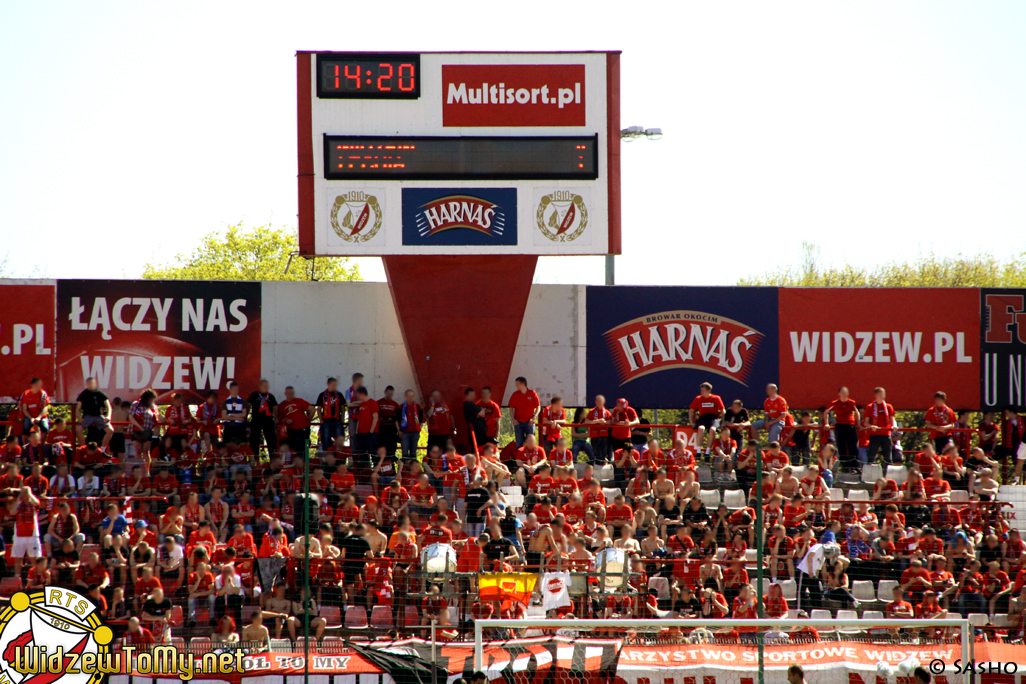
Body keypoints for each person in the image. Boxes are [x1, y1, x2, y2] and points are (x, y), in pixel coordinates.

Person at [825, 388, 860, 472]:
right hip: (840, 425)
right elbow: (826, 412)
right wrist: (826, 423)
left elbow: (856, 412)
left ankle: (854, 467)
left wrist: (857, 423)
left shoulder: (851, 402)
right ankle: (845, 466)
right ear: (839, 393)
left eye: (846, 392)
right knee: (842, 446)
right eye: (843, 392)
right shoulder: (835, 403)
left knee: (853, 446)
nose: (845, 394)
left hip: (850, 425)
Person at [688, 383, 724, 457]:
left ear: (709, 390)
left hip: (713, 418)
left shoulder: (716, 398)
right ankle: (698, 451)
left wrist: (723, 422)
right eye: (701, 390)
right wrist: (692, 422)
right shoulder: (698, 398)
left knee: (712, 430)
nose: (702, 392)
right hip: (703, 418)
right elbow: (691, 410)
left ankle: (707, 452)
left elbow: (722, 410)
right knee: (701, 428)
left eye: (703, 390)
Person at [76, 376, 113, 448]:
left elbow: (108, 406)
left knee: (110, 430)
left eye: (92, 383)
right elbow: (78, 408)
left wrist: (108, 416)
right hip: (87, 416)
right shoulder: (84, 393)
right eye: (89, 383)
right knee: (78, 430)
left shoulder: (100, 393)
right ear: (87, 384)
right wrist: (80, 417)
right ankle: (84, 448)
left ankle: (103, 449)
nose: (91, 385)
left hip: (98, 415)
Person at [508, 376, 541, 447]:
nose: (516, 386)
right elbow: (511, 409)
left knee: (531, 442)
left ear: (523, 384)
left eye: (517, 384)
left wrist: (534, 417)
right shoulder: (515, 394)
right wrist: (513, 420)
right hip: (518, 422)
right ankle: (520, 457)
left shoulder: (532, 393)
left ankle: (532, 457)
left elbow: (538, 407)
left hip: (530, 421)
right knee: (519, 443)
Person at [398, 390, 425, 462]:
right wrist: (399, 431)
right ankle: (405, 470)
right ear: (405, 396)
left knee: (413, 454)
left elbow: (422, 420)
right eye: (409, 396)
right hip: (404, 433)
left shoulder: (418, 407)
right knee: (405, 454)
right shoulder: (401, 407)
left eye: (412, 396)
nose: (410, 397)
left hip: (415, 433)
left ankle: (413, 471)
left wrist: (419, 429)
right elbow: (397, 420)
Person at [585, 395, 612, 464]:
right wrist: (597, 421)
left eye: (601, 401)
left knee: (603, 454)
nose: (599, 403)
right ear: (595, 402)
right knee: (596, 454)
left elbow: (610, 421)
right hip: (594, 435)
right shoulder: (592, 411)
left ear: (604, 402)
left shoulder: (606, 412)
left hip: (604, 435)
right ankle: (597, 467)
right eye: (598, 401)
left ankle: (603, 467)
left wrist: (605, 422)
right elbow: (587, 421)